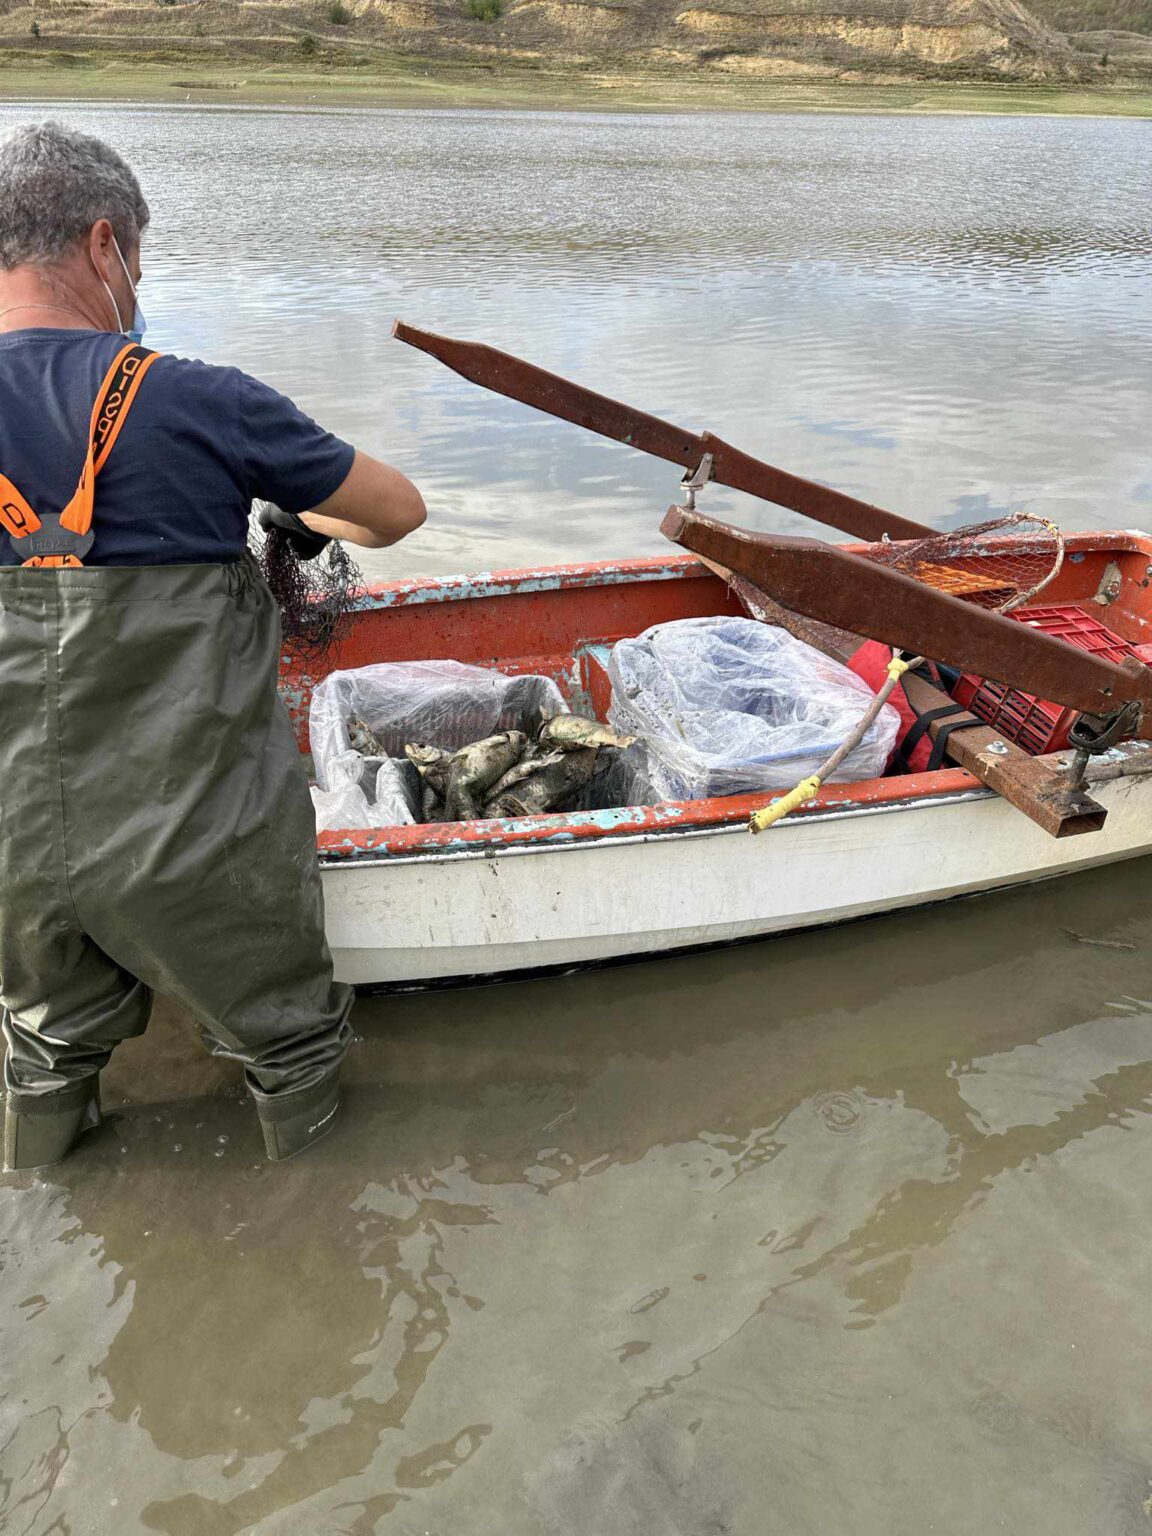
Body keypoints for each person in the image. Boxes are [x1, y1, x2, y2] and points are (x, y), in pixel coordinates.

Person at [0, 121, 426, 1169]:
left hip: (7, 844)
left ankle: (50, 1183)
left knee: (43, 1054)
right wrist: (300, 517)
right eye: (138, 257)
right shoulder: (199, 398)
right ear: (104, 246)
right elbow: (395, 512)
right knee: (290, 1050)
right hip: (195, 844)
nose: (139, 281)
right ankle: (311, 1224)